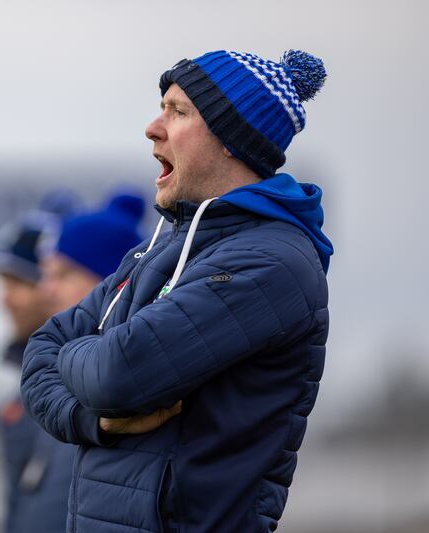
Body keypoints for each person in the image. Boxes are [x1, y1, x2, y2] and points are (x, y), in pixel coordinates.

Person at [21, 49, 333, 533]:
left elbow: (116, 373)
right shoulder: (158, 249)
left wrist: (85, 354)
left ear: (233, 140)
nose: (152, 127)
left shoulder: (272, 263)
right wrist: (95, 422)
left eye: (178, 111)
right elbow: (40, 351)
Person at [0, 189, 146, 533]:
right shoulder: (47, 387)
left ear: (110, 283)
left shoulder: (133, 386)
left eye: (60, 275)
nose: (45, 290)